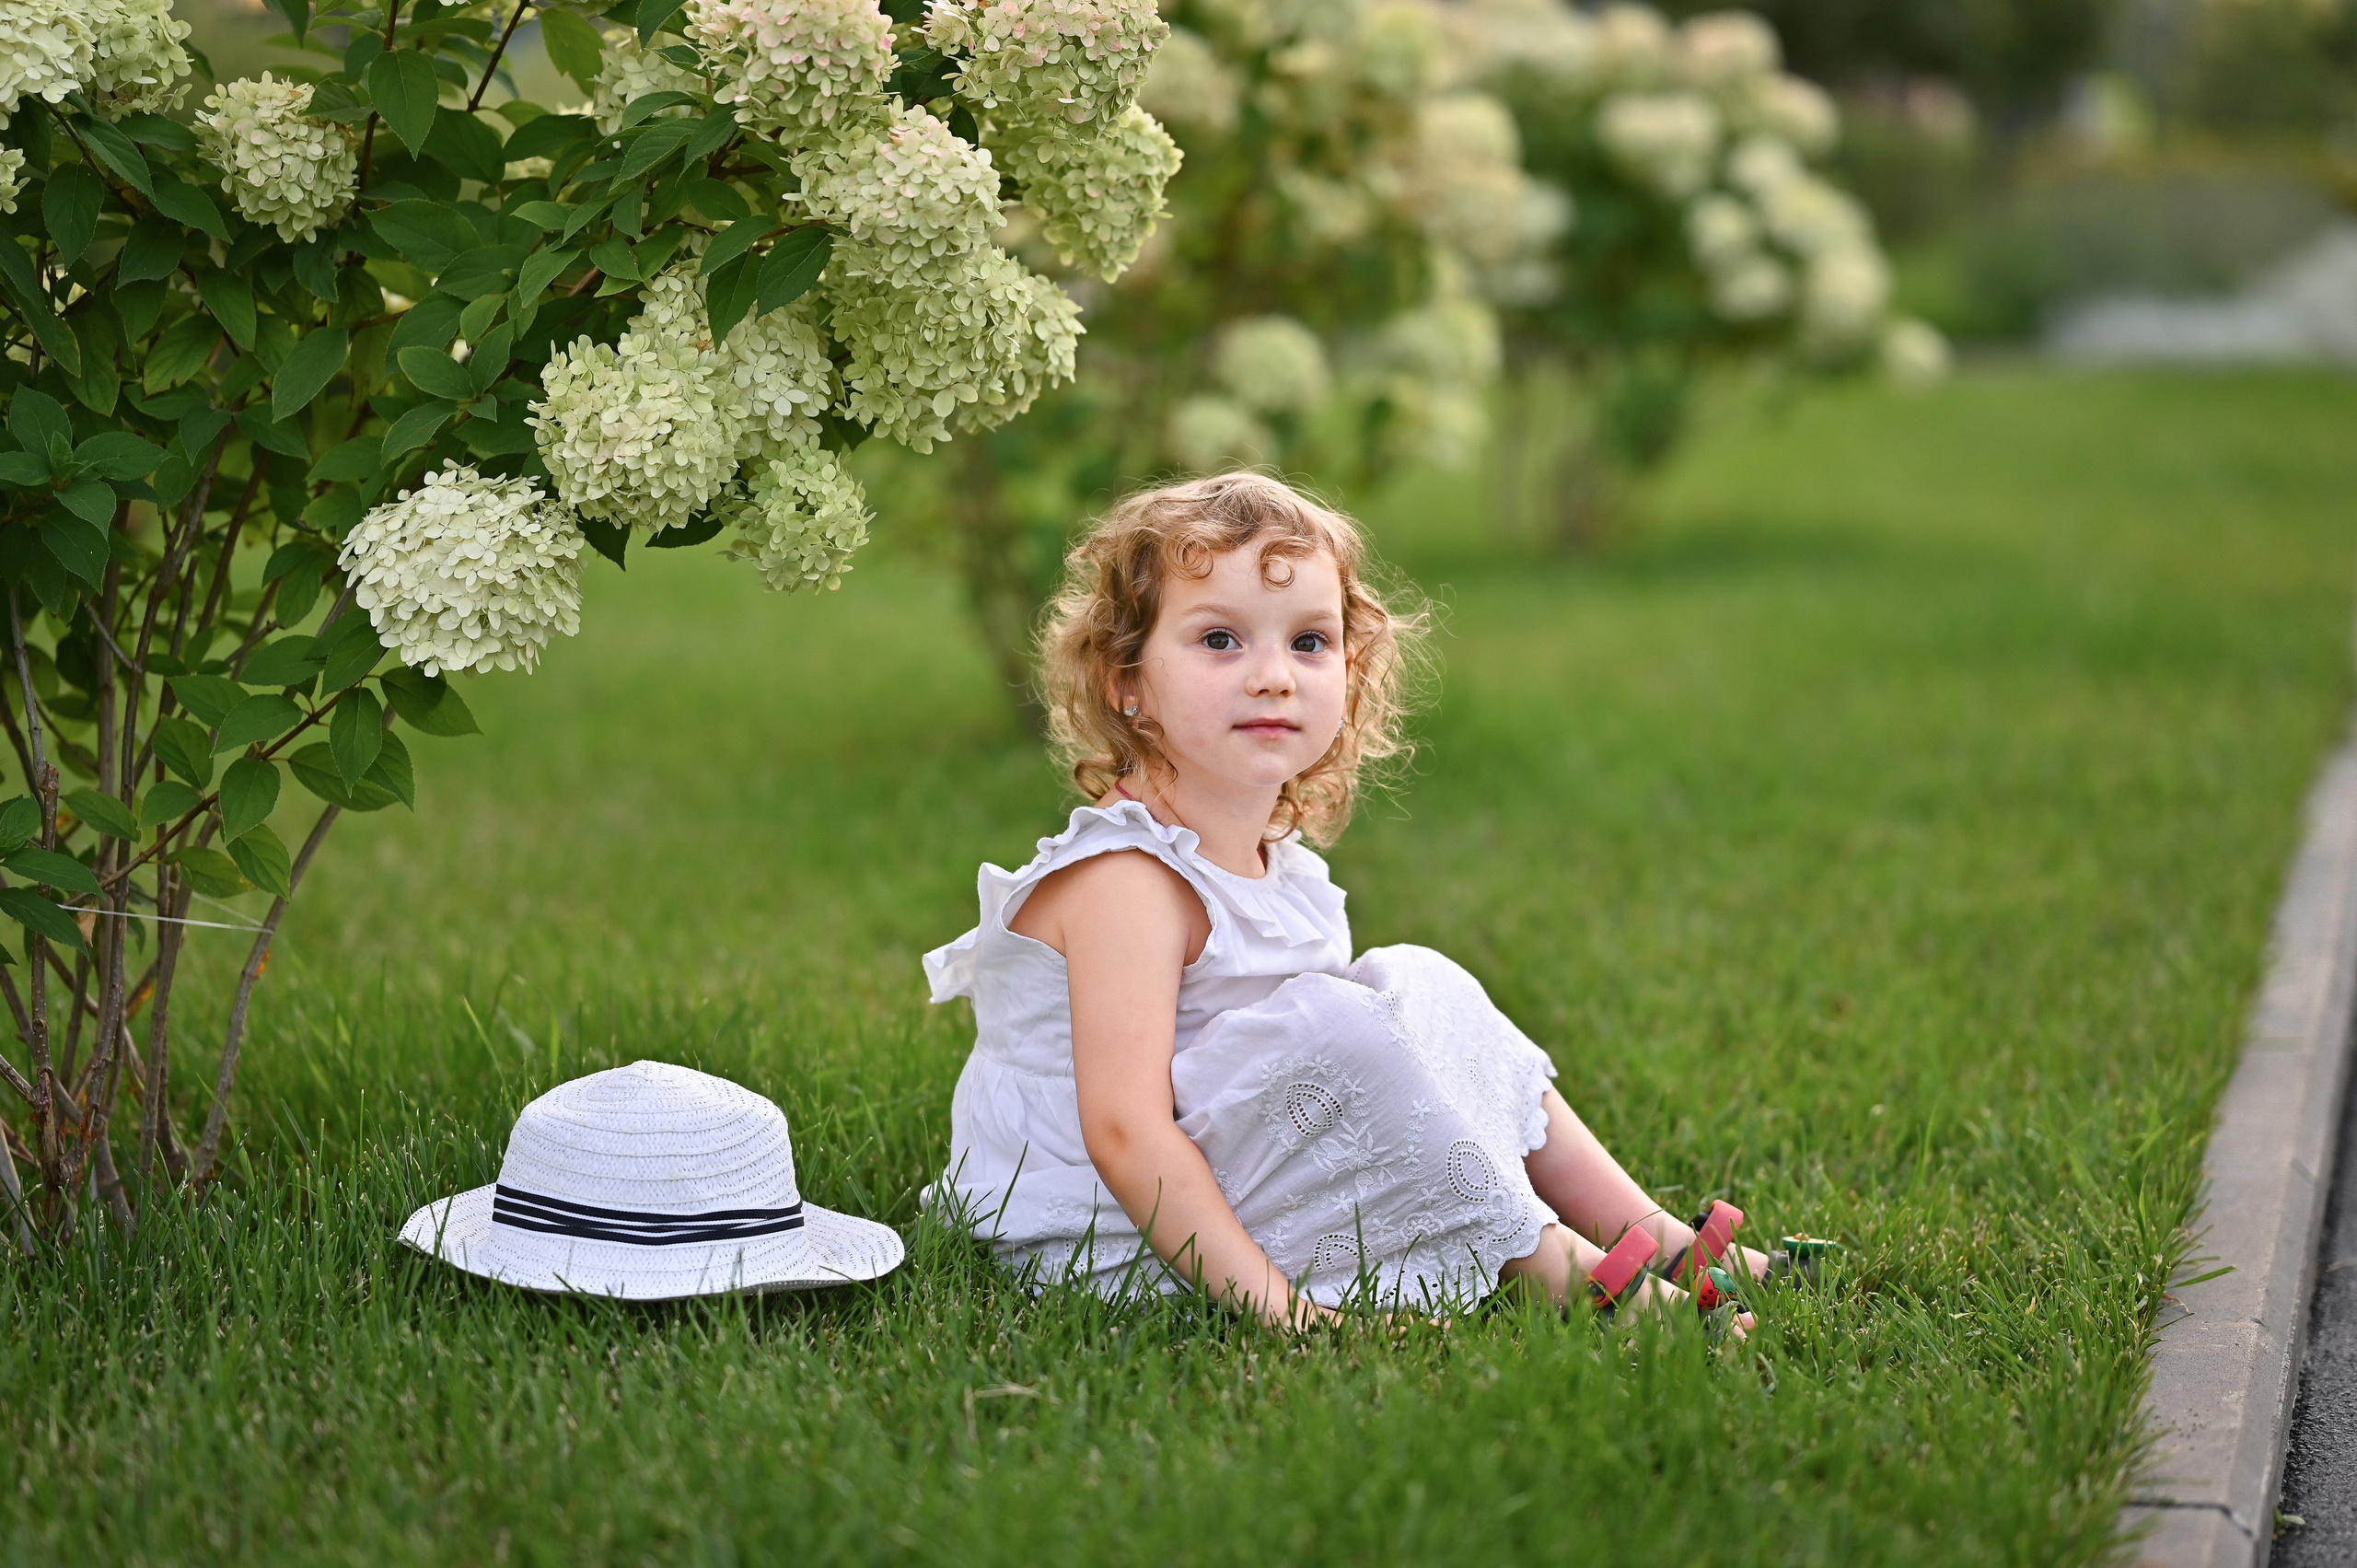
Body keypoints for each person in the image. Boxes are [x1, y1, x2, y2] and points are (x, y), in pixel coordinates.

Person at [925, 472, 1779, 1330]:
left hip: (1218, 1174)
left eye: (1309, 641)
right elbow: (1124, 1135)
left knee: (1419, 980)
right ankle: (1570, 1274)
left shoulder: (1277, 865)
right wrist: (1286, 1314)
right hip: (1105, 1224)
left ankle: (1650, 1234)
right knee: (1344, 1022)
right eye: (1219, 639)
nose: (1273, 676)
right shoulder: (1129, 883)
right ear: (1126, 681)